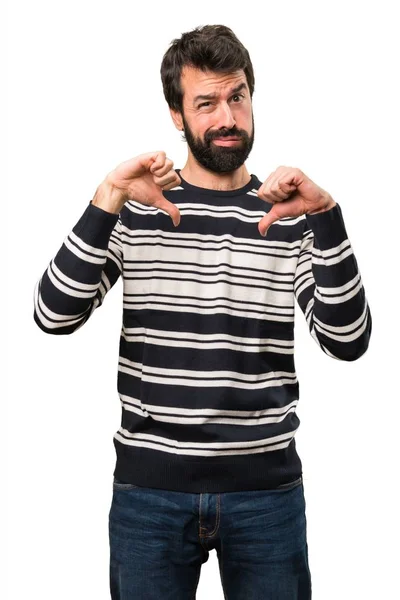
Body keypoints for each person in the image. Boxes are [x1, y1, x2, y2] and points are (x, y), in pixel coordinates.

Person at [33, 24, 371, 600]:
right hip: (150, 496)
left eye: (237, 96)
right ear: (177, 114)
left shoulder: (289, 213)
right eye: (206, 102)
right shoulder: (140, 208)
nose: (227, 117)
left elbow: (348, 339)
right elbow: (53, 313)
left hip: (267, 496)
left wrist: (328, 216)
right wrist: (106, 198)